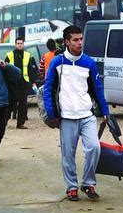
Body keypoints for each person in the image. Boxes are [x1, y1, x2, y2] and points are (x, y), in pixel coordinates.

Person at [43, 25, 109, 201]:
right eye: (76, 40)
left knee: (94, 148)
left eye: (81, 39)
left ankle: (88, 183)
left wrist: (105, 110)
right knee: (68, 155)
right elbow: (48, 89)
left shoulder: (89, 62)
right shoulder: (57, 62)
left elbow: (97, 88)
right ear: (67, 42)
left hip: (87, 115)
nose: (80, 43)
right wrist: (52, 114)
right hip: (66, 117)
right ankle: (71, 187)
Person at [5, 37, 34, 129]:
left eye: (21, 43)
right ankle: (4, 121)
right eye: (18, 43)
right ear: (15, 44)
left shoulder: (27, 55)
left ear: (23, 44)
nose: (19, 45)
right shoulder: (9, 55)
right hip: (12, 83)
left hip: (23, 82)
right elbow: (5, 68)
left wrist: (31, 82)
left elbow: (31, 69)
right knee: (10, 103)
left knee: (23, 104)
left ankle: (20, 123)